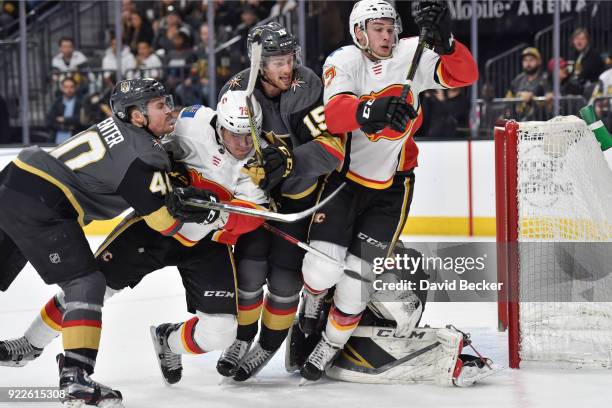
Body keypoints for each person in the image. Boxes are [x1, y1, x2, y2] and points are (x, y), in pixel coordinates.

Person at [0, 90, 268, 393]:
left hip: (205, 243)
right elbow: (157, 159)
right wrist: (173, 189)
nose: (244, 144)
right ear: (219, 125)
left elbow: (253, 217)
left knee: (220, 332)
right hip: (149, 230)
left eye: (250, 135)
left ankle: (168, 342)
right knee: (90, 288)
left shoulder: (261, 164)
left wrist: (212, 217)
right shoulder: (192, 121)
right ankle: (30, 343)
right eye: (235, 133)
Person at [296, 0, 478, 382]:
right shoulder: (344, 59)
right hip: (345, 182)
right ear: (359, 32)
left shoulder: (412, 52)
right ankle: (311, 301)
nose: (387, 35)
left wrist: (445, 43)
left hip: (392, 188)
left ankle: (330, 343)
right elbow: (334, 113)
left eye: (391, 27)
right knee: (321, 266)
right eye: (378, 28)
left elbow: (464, 75)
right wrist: (371, 110)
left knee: (355, 285)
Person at [0, 78, 192, 407]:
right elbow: (164, 223)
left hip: (14, 178)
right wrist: (196, 210)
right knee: (86, 283)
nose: (169, 111)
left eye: (167, 102)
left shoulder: (121, 130)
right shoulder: (144, 153)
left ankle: (38, 352)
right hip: (45, 199)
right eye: (160, 106)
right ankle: (75, 377)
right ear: (136, 116)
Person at [215, 21, 344, 382]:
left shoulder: (307, 85)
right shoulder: (237, 90)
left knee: (286, 281)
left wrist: (287, 162)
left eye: (289, 58)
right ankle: (241, 338)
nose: (286, 68)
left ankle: (268, 344)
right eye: (276, 62)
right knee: (250, 271)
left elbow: (332, 152)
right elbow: (226, 150)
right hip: (256, 200)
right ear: (258, 64)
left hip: (298, 201)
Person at [505, 47, 548, 121]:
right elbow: (508, 99)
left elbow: (550, 101)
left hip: (541, 123)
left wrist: (532, 97)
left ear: (539, 61)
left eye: (531, 60)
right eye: (525, 60)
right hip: (519, 122)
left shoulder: (545, 79)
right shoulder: (517, 80)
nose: (528, 63)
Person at [46, 76, 84, 144]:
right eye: (66, 87)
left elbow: (81, 120)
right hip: (57, 140)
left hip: (76, 140)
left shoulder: (80, 102)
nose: (69, 90)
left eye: (71, 87)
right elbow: (50, 120)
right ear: (62, 88)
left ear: (75, 88)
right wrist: (66, 126)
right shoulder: (57, 102)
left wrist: (64, 119)